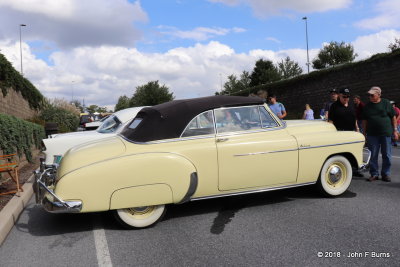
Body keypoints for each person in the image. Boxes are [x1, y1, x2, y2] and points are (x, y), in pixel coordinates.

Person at [362, 86, 398, 182]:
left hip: (385, 133)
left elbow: (393, 117)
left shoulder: (386, 103)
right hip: (372, 134)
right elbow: (364, 121)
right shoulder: (367, 106)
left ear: (379, 94)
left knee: (387, 154)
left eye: (372, 95)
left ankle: (385, 174)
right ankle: (374, 174)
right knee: (373, 155)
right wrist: (364, 133)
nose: (370, 97)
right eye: (369, 95)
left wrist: (395, 130)